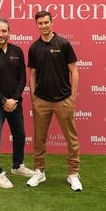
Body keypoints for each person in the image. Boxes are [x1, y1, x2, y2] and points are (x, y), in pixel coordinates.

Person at [26, 11, 83, 191]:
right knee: (39, 139)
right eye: (40, 23)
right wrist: (34, 98)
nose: (43, 26)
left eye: (46, 22)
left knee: (71, 139)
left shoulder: (64, 44)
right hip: (41, 101)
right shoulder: (34, 48)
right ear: (37, 25)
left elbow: (74, 71)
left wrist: (73, 97)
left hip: (64, 100)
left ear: (52, 23)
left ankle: (73, 174)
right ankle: (39, 171)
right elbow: (32, 74)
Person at [0, 18, 35, 189]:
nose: (1, 34)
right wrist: (4, 101)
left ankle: (17, 166)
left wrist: (14, 100)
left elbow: (22, 78)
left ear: (9, 32)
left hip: (15, 104)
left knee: (19, 136)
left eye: (4, 31)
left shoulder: (17, 51)